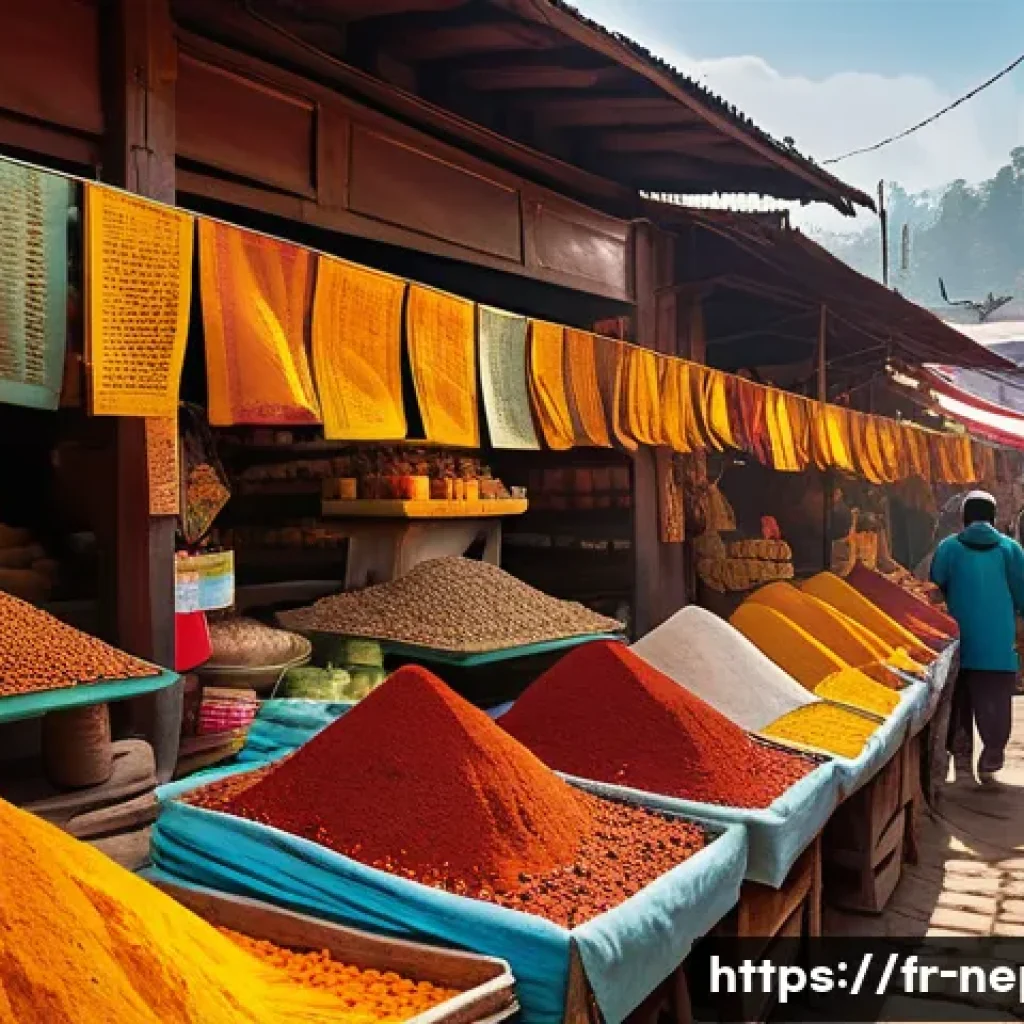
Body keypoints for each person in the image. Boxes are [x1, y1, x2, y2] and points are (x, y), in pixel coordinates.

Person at [931, 491, 1024, 785]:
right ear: (994, 518)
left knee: (960, 698)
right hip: (999, 643)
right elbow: (1022, 594)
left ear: (963, 517)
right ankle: (992, 754)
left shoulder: (948, 548)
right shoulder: (1011, 550)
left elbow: (934, 588)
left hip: (958, 640)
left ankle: (961, 760)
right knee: (996, 699)